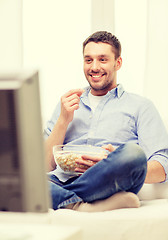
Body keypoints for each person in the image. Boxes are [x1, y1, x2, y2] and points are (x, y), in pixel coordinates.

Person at [44, 31, 168, 212]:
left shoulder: (141, 106)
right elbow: (44, 165)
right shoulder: (67, 104)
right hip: (59, 180)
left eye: (102, 59)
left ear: (118, 63)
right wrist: (63, 120)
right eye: (88, 60)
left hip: (109, 182)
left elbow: (163, 167)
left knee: (133, 153)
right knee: (16, 181)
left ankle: (66, 200)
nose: (94, 67)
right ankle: (78, 204)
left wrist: (113, 160)